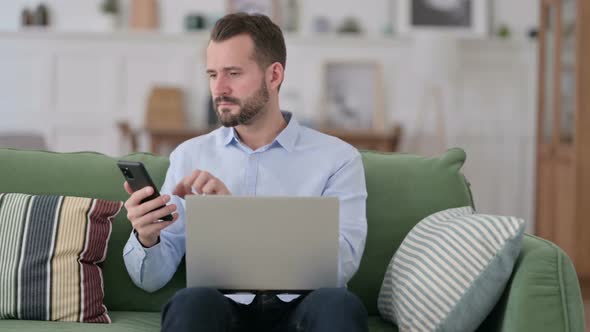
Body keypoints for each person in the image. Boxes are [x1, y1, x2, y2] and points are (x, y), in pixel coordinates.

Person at [122, 12, 368, 332]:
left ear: (274, 75)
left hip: (307, 306)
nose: (219, 88)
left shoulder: (338, 159)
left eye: (233, 73)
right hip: (221, 307)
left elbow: (340, 267)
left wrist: (236, 217)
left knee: (340, 304)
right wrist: (147, 237)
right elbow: (152, 280)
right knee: (191, 302)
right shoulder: (189, 156)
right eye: (212, 74)